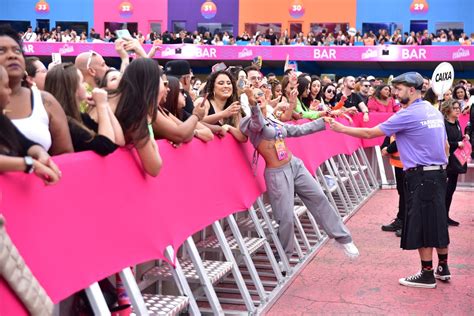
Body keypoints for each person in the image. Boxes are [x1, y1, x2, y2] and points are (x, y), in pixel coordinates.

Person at [330, 72, 450, 288]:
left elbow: (369, 134)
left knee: (423, 225)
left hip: (421, 176)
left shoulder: (407, 114)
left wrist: (341, 128)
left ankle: (427, 274)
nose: (395, 92)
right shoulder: (433, 111)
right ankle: (443, 267)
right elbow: (446, 147)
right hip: (439, 174)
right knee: (438, 221)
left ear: (412, 90)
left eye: (399, 88)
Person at [239, 87, 359, 265]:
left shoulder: (273, 119)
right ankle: (284, 256)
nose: (258, 98)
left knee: (319, 197)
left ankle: (343, 239)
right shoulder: (248, 122)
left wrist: (321, 121)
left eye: (260, 95)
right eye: (254, 96)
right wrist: (253, 106)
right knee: (285, 217)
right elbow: (258, 125)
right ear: (247, 101)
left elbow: (297, 130)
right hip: (277, 173)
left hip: (295, 165)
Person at [0, 25, 73, 155]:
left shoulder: (45, 101)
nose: (12, 56)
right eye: (1, 51)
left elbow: (65, 155)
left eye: (17, 51)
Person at [44, 63, 124, 156]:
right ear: (73, 88)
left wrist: (104, 104)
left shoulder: (80, 117)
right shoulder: (68, 123)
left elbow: (119, 141)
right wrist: (101, 105)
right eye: (82, 82)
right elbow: (106, 146)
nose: (85, 84)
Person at [0, 65, 61, 184]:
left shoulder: (2, 120)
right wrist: (30, 164)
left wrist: (41, 154)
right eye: (6, 86)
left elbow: (24, 143)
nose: (10, 91)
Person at [112, 58, 163, 177]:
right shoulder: (133, 113)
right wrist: (152, 142)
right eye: (162, 81)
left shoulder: (123, 102)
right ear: (151, 85)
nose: (165, 88)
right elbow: (154, 167)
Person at [441, 99, 469, 226]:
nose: (458, 110)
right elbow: (442, 143)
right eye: (455, 108)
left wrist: (463, 138)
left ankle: (446, 216)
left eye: (459, 107)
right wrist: (457, 143)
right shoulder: (443, 124)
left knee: (451, 190)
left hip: (456, 162)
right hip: (446, 162)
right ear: (447, 110)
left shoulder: (457, 123)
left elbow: (457, 139)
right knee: (444, 191)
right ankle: (441, 217)